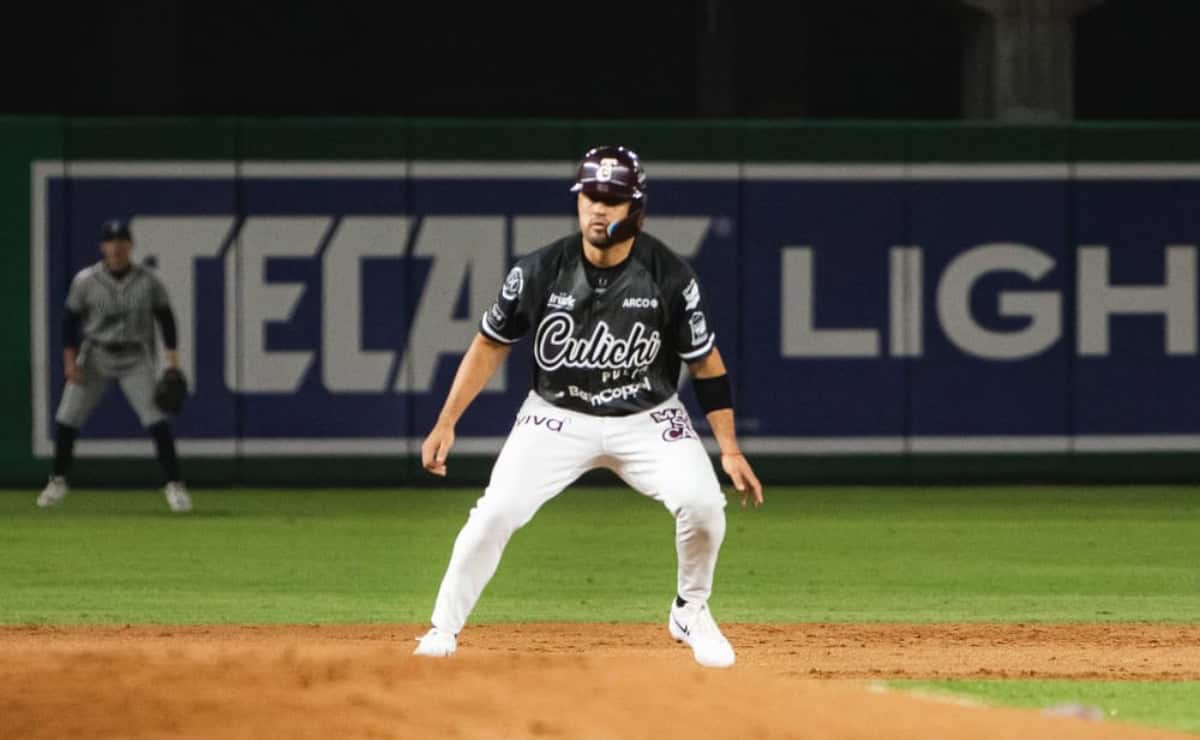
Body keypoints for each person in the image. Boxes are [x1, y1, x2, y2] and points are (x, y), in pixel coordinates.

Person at [413, 146, 763, 668]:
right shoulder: (539, 270)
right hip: (556, 416)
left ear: (634, 209)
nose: (598, 209)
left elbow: (706, 363)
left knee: (703, 504)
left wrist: (729, 448)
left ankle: (690, 610)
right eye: (590, 196)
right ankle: (441, 629)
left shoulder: (669, 275)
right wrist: (446, 421)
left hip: (648, 418)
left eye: (612, 199)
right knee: (496, 513)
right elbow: (490, 343)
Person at [37, 219, 192, 513]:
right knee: (67, 418)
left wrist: (172, 363)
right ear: (103, 246)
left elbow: (166, 319)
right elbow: (69, 322)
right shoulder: (86, 280)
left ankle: (175, 486)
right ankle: (57, 480)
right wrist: (69, 362)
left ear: (130, 245)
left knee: (157, 421)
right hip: (95, 356)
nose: (117, 246)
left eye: (122, 241)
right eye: (111, 241)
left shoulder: (149, 280)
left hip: (135, 357)